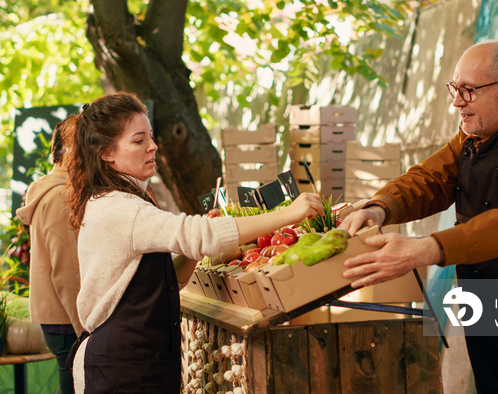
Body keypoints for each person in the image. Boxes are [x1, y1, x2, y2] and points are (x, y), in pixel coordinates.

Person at [339, 40, 498, 393]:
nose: (457, 102)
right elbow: (429, 179)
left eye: (468, 91)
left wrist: (426, 249)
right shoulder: (474, 135)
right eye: (455, 89)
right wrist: (380, 208)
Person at [65, 91, 323, 393]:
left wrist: (192, 255)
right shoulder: (118, 207)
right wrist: (289, 214)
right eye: (138, 141)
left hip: (137, 360)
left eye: (150, 136)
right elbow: (199, 235)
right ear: (106, 153)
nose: (153, 146)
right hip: (121, 367)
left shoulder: (121, 200)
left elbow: (163, 282)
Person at [16, 116, 82, 394]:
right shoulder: (59, 197)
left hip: (60, 317)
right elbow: (66, 270)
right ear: (70, 149)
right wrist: (85, 329)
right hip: (67, 318)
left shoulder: (53, 190)